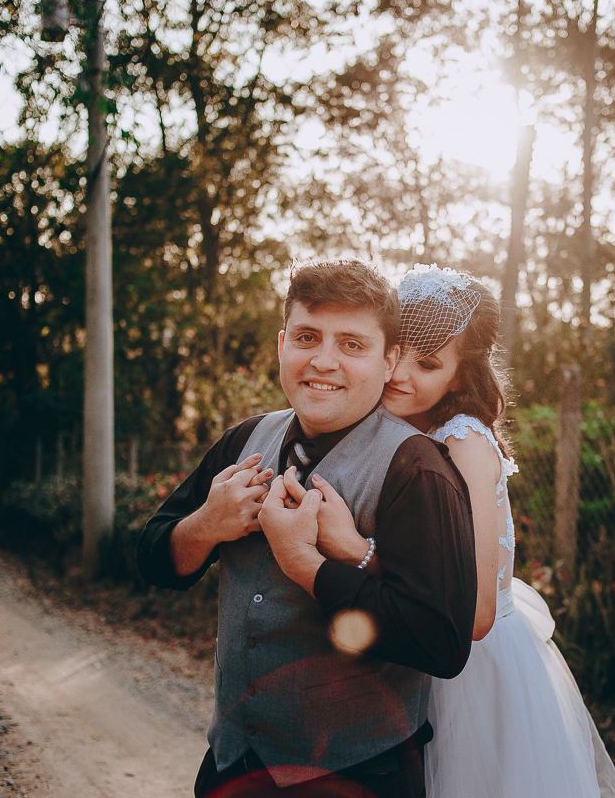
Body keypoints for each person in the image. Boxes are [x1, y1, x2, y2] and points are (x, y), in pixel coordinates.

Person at [136, 258, 478, 798]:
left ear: (389, 361)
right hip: (232, 768)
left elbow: (440, 642)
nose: (323, 360)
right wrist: (205, 526)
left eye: (352, 345)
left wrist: (308, 568)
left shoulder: (420, 470)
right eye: (307, 337)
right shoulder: (241, 441)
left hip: (360, 775)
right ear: (281, 345)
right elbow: (150, 560)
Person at [315, 265, 615, 798]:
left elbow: (477, 611)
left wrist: (359, 552)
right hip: (408, 653)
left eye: (428, 363)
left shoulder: (463, 444)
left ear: (460, 376)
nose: (400, 374)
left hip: (470, 678)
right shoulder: (396, 429)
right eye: (397, 350)